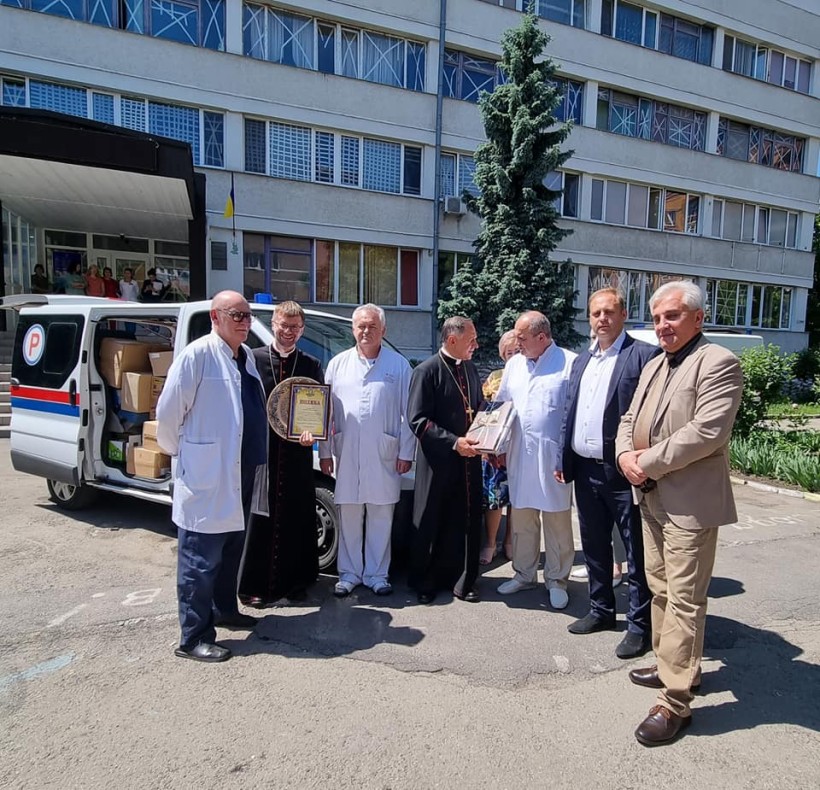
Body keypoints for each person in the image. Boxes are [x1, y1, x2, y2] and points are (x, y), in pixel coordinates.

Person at [615, 280, 743, 746]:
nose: (662, 325)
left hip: (689, 504)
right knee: (661, 590)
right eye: (656, 318)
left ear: (698, 318)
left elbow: (707, 432)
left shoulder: (718, 362)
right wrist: (623, 455)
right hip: (650, 497)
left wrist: (643, 462)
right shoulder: (654, 363)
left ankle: (675, 702)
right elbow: (629, 419)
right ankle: (673, 664)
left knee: (685, 599)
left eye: (671, 316)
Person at [156, 291, 267, 663]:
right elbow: (168, 414)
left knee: (230, 552)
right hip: (208, 474)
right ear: (215, 317)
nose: (245, 322)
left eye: (248, 316)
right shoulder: (197, 355)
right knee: (199, 562)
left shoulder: (245, 356)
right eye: (237, 315)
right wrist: (186, 454)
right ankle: (193, 637)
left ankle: (225, 610)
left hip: (239, 474)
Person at [556, 288, 660, 658]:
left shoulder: (643, 356)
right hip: (585, 469)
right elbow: (570, 411)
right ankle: (601, 610)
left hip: (623, 471)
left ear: (623, 314)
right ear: (589, 318)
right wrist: (563, 458)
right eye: (596, 313)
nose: (602, 319)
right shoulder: (582, 360)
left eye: (609, 312)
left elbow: (652, 415)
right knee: (594, 544)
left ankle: (639, 625)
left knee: (635, 550)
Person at [319, 304, 414, 598]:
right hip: (346, 451)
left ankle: (377, 574)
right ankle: (349, 574)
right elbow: (326, 414)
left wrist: (406, 453)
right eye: (361, 326)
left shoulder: (399, 366)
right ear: (353, 329)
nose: (366, 331)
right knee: (348, 512)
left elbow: (409, 414)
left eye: (372, 326)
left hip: (385, 452)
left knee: (381, 515)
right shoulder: (338, 365)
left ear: (383, 330)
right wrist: (324, 452)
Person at [238, 300, 324, 606]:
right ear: (273, 324)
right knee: (259, 516)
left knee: (295, 516)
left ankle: (295, 583)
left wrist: (312, 433)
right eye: (284, 325)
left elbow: (317, 409)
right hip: (262, 451)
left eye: (295, 327)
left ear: (302, 329)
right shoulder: (252, 358)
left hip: (297, 452)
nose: (289, 331)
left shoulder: (311, 364)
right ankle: (254, 585)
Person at [494, 311, 576, 609]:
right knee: (522, 520)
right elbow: (502, 405)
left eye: (522, 337)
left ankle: (557, 580)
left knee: (557, 522)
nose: (517, 343)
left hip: (553, 458)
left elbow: (574, 413)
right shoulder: (515, 364)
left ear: (542, 337)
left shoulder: (569, 363)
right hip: (519, 455)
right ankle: (524, 574)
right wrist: (495, 445)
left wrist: (568, 458)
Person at [408, 316, 483, 605]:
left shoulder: (470, 368)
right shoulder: (426, 371)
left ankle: (463, 580)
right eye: (471, 339)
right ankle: (425, 581)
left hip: (469, 460)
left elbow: (478, 408)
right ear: (453, 340)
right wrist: (453, 443)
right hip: (437, 462)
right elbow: (417, 420)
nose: (476, 345)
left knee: (463, 521)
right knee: (433, 519)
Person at [480, 329, 517, 565]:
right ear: (503, 355)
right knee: (494, 498)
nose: (514, 356)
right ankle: (491, 543)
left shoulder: (531, 374)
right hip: (497, 447)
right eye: (509, 352)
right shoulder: (494, 378)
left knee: (517, 499)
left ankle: (511, 541)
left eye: (518, 351)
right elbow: (485, 413)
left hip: (520, 447)